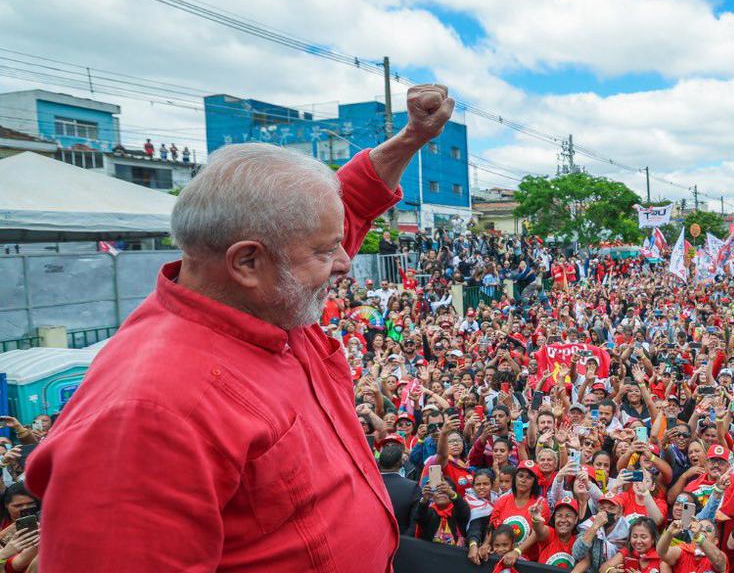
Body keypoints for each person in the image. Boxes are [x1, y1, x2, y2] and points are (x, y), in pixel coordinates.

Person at [24, 83, 456, 570]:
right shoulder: (147, 416)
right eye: (325, 250)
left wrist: (411, 139)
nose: (345, 261)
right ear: (246, 262)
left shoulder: (268, 298)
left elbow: (348, 205)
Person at [378, 436, 420, 536]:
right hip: (402, 543)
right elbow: (414, 524)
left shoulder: (368, 485)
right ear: (401, 463)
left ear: (379, 462)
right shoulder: (412, 487)